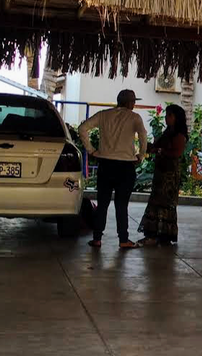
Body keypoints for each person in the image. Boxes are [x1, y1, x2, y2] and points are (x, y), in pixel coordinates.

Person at [78, 89, 147, 249]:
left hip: (106, 164)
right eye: (134, 101)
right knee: (122, 205)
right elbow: (143, 136)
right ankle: (123, 239)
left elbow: (82, 129)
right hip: (126, 167)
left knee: (102, 204)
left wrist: (91, 150)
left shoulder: (103, 115)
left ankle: (97, 239)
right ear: (130, 103)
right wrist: (140, 155)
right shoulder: (134, 117)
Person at [137, 104, 188, 247]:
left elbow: (176, 153)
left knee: (164, 202)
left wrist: (159, 151)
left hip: (169, 174)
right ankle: (155, 233)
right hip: (161, 172)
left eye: (169, 116)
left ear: (176, 118)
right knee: (156, 201)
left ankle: (162, 234)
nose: (166, 118)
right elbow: (155, 147)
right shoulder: (168, 132)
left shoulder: (179, 135)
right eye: (166, 115)